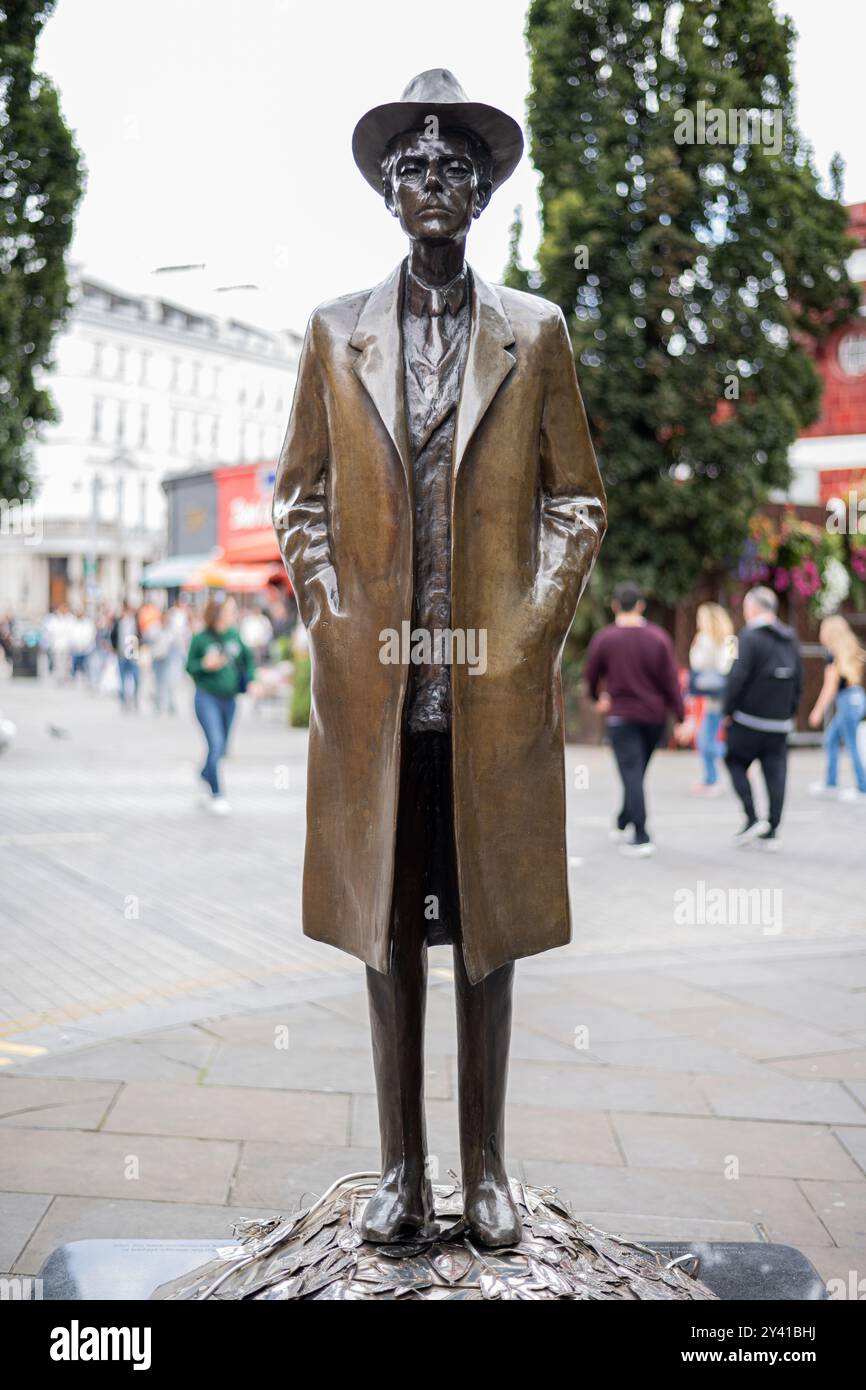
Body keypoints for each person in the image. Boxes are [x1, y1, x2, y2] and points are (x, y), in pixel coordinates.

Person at [272, 69, 606, 1246]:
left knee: (485, 932)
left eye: (454, 168)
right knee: (385, 935)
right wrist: (326, 612)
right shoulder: (332, 333)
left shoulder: (534, 332)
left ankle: (487, 1169)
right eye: (411, 167)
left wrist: (523, 631)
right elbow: (298, 495)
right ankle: (401, 1171)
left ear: (481, 194)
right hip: (374, 694)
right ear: (385, 192)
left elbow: (576, 502)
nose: (432, 182)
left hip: (485, 693)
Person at [584, 581, 686, 857]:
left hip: (622, 718)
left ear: (615, 605)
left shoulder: (605, 638)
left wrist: (597, 699)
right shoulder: (658, 638)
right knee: (636, 774)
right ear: (640, 605)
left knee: (632, 774)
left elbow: (590, 677)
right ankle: (623, 820)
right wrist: (681, 716)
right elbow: (671, 682)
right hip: (654, 718)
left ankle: (641, 835)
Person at [723, 586, 802, 849]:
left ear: (754, 608)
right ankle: (772, 831)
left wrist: (727, 710)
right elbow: (799, 682)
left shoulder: (748, 637)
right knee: (775, 773)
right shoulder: (790, 638)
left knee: (734, 762)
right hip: (779, 723)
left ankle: (752, 817)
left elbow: (737, 677)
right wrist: (789, 713)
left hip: (748, 720)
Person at [185, 596, 256, 815]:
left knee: (222, 747)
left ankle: (205, 773)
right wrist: (205, 665)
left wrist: (251, 679)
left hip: (230, 699)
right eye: (229, 610)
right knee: (215, 743)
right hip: (206, 698)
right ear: (217, 612)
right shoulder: (201, 638)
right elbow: (189, 666)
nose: (233, 614)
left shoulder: (235, 636)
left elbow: (248, 660)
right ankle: (217, 793)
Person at [808, 614, 866, 802]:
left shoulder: (833, 654)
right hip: (857, 698)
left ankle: (862, 786)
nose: (820, 634)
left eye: (823, 630)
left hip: (847, 701)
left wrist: (817, 710)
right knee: (831, 739)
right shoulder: (851, 650)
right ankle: (831, 783)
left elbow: (830, 687)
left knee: (851, 744)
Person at [688, 602, 734, 794]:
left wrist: (697, 645)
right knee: (705, 738)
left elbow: (698, 663)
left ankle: (716, 775)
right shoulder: (731, 641)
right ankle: (710, 778)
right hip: (719, 695)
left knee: (705, 740)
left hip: (717, 697)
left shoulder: (706, 639)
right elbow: (729, 666)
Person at [110, 602, 141, 709]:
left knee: (136, 677)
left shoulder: (135, 622)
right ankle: (124, 700)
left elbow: (140, 636)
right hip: (122, 653)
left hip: (133, 654)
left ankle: (135, 699)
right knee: (122, 677)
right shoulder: (118, 622)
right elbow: (113, 635)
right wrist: (114, 648)